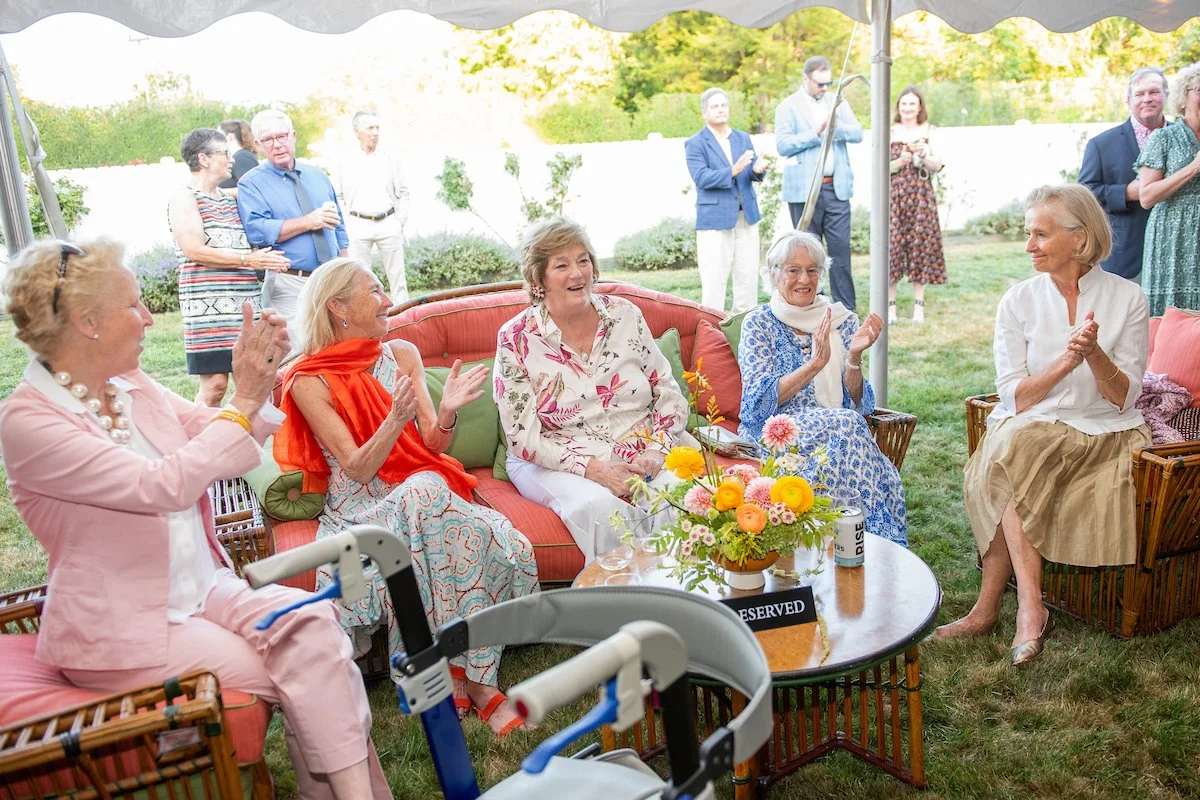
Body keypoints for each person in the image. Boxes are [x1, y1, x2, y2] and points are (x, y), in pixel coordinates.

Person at [0, 238, 392, 799]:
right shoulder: (30, 422)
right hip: (123, 627)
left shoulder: (129, 385)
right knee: (312, 671)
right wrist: (246, 395)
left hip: (201, 589)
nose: (148, 317)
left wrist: (250, 382)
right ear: (88, 323)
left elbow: (217, 432)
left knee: (314, 628)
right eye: (133, 305)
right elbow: (160, 485)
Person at [274, 258, 537, 736]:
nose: (387, 301)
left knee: (450, 511)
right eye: (374, 292)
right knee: (430, 493)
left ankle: (452, 673)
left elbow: (433, 445)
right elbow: (356, 466)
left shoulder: (402, 353)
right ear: (338, 307)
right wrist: (394, 419)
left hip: (420, 495)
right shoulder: (308, 379)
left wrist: (450, 412)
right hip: (361, 509)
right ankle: (477, 682)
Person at [944, 185, 1150, 667]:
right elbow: (1013, 396)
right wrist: (1065, 362)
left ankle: (990, 608)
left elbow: (1124, 398)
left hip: (1104, 432)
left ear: (1079, 240)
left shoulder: (1129, 298)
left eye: (1041, 233)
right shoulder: (1018, 301)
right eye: (1028, 234)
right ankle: (1028, 609)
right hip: (1033, 423)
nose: (1029, 245)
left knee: (1007, 454)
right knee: (1016, 444)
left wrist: (1095, 355)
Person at [494, 217, 692, 562]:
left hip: (641, 444)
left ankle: (683, 601)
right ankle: (621, 605)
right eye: (562, 265)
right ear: (539, 279)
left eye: (583, 260)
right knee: (598, 507)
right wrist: (592, 468)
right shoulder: (516, 338)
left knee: (679, 496)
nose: (577, 273)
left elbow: (668, 391)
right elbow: (521, 437)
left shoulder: (625, 315)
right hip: (553, 456)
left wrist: (658, 448)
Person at [737, 230, 904, 546]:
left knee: (848, 427)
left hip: (840, 430)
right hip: (778, 433)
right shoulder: (759, 324)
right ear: (774, 276)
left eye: (812, 270)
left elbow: (859, 403)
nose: (804, 279)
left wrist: (853, 357)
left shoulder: (841, 320)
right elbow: (756, 407)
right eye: (793, 270)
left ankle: (855, 546)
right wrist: (814, 364)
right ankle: (881, 543)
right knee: (851, 430)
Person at [168, 128, 290, 406]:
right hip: (209, 308)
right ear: (204, 159)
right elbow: (194, 250)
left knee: (256, 381)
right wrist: (249, 259)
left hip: (244, 305)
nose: (231, 159)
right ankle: (201, 445)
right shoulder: (184, 198)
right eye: (224, 153)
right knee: (215, 386)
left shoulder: (230, 199)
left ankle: (243, 443)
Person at [237, 109, 348, 345]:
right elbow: (257, 230)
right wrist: (309, 221)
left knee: (339, 345)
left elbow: (339, 229)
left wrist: (346, 269)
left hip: (331, 279)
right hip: (289, 283)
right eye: (268, 139)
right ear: (258, 144)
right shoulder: (251, 183)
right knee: (300, 351)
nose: (277, 145)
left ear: (293, 136)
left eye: (282, 136)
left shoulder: (317, 176)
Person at [775, 55, 863, 311]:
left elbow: (857, 132)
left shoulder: (837, 102)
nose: (825, 89)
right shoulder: (787, 106)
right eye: (820, 84)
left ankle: (846, 309)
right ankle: (812, 307)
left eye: (828, 83)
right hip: (804, 192)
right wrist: (815, 133)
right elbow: (783, 145)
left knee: (840, 251)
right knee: (808, 254)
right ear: (806, 78)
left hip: (836, 188)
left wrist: (833, 127)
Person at [1078, 67, 1169, 281]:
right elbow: (1085, 194)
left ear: (1166, 95)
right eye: (1139, 94)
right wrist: (1126, 193)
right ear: (1128, 100)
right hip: (1125, 257)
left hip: (1175, 255)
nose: (1147, 99)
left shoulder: (1184, 139)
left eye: (1154, 92)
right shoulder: (1101, 144)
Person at [684, 87, 769, 314]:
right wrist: (733, 170)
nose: (720, 110)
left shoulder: (742, 138)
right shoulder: (696, 143)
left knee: (747, 276)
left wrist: (757, 170)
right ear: (704, 112)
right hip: (714, 219)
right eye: (715, 106)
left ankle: (745, 329)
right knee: (714, 281)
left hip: (746, 217)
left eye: (723, 105)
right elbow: (701, 177)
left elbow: (749, 172)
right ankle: (712, 333)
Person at [1137, 62, 1200, 316]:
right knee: (1172, 318)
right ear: (1183, 98)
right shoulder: (1164, 137)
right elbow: (1146, 196)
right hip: (1173, 239)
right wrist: (1193, 168)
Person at [335, 110, 411, 303]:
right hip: (358, 224)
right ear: (356, 131)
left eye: (377, 128)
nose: (375, 132)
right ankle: (367, 314)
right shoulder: (345, 161)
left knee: (398, 279)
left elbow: (404, 191)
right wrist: (347, 223)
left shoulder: (390, 158)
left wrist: (399, 219)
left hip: (388, 222)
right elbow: (338, 196)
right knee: (360, 278)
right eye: (370, 128)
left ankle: (404, 316)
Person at [888, 86, 946, 324]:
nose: (908, 108)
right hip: (894, 196)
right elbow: (880, 167)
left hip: (921, 195)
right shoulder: (889, 131)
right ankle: (890, 308)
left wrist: (922, 156)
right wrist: (899, 162)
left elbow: (938, 165)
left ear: (920, 107)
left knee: (919, 248)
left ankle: (918, 308)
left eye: (913, 104)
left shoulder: (930, 131)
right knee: (892, 249)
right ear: (898, 106)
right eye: (904, 104)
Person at [218, 119, 259, 191]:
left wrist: (218, 193)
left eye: (218, 136)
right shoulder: (238, 157)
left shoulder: (243, 157)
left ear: (229, 137)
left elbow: (251, 190)